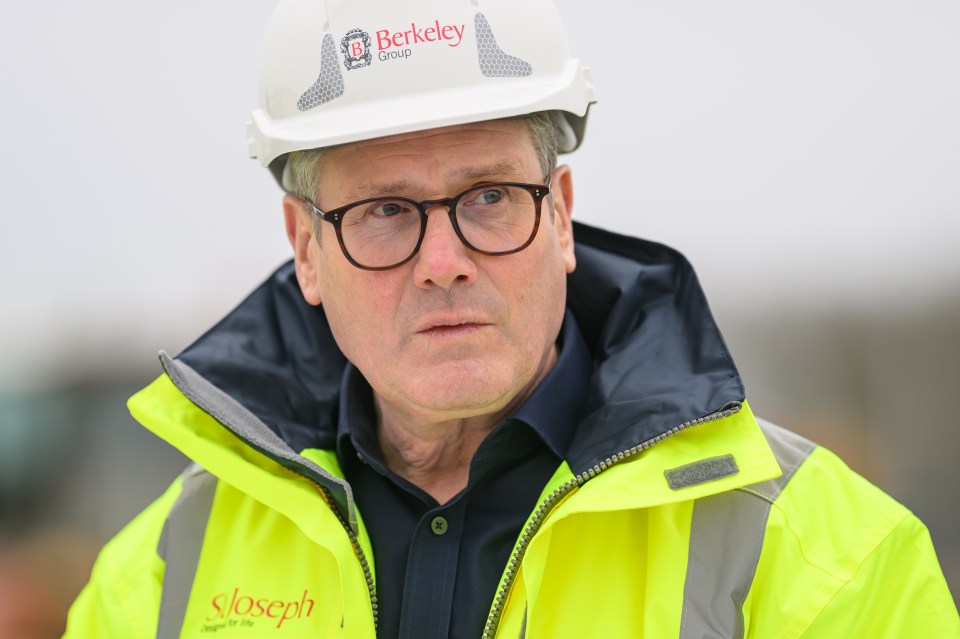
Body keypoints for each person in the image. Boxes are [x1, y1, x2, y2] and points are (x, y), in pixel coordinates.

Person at [65, 0, 959, 637]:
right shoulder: (154, 580)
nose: (444, 260)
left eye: (490, 196)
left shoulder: (822, 554)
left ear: (561, 213)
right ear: (305, 246)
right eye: (383, 211)